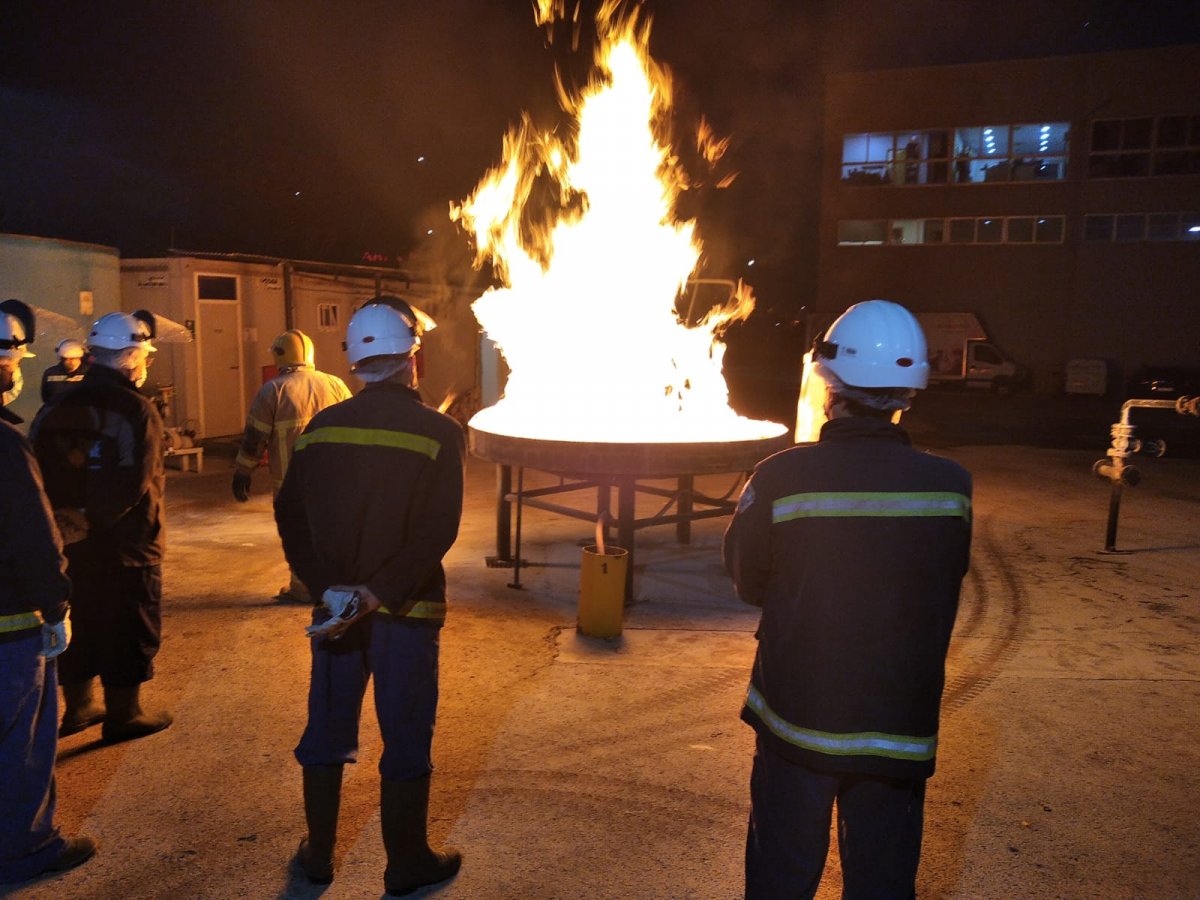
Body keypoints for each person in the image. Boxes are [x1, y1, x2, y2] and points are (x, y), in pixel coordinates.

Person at [724, 299, 972, 899]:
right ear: (909, 394)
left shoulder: (781, 476)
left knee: (782, 874)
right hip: (899, 724)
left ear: (829, 383)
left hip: (798, 720)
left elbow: (747, 578)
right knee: (883, 880)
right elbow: (942, 583)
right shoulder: (951, 485)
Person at [274, 296, 465, 896]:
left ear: (354, 363)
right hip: (407, 611)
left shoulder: (319, 429)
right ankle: (406, 863)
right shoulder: (439, 431)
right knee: (406, 731)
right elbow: (437, 530)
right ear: (414, 358)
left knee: (327, 726)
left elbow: (288, 512)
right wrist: (378, 592)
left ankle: (319, 857)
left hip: (335, 614)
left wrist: (329, 588)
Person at [31, 310, 173, 744]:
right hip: (127, 546)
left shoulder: (55, 407)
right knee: (130, 626)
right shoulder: (136, 409)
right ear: (130, 356)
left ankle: (78, 708)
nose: (146, 362)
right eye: (143, 354)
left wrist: (65, 521)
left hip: (70, 544)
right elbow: (135, 479)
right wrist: (94, 519)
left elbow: (37, 470)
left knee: (83, 622)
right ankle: (123, 715)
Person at [0, 298, 97, 883]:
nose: (16, 369)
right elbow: (33, 537)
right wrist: (57, 604)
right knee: (23, 742)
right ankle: (28, 848)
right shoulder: (6, 444)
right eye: (11, 357)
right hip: (9, 624)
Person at [231, 329, 351, 602]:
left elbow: (254, 438)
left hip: (290, 482)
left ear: (279, 356)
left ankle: (304, 588)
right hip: (334, 479)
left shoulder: (273, 390)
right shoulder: (335, 384)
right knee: (330, 529)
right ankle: (334, 585)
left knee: (299, 533)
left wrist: (242, 472)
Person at [40, 338, 89, 403]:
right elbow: (46, 397)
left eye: (74, 358)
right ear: (61, 359)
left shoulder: (90, 373)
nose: (71, 362)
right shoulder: (50, 373)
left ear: (80, 358)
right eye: (67, 359)